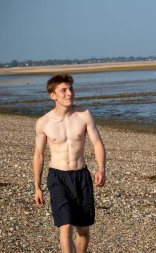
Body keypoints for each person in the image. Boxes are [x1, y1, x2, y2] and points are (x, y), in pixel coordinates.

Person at [33, 73, 106, 253]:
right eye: (63, 90)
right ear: (53, 96)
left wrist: (101, 169)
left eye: (71, 89)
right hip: (58, 177)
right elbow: (39, 154)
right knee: (65, 227)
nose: (69, 93)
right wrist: (37, 186)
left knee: (83, 230)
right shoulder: (44, 123)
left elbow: (97, 142)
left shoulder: (84, 115)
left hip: (81, 176)